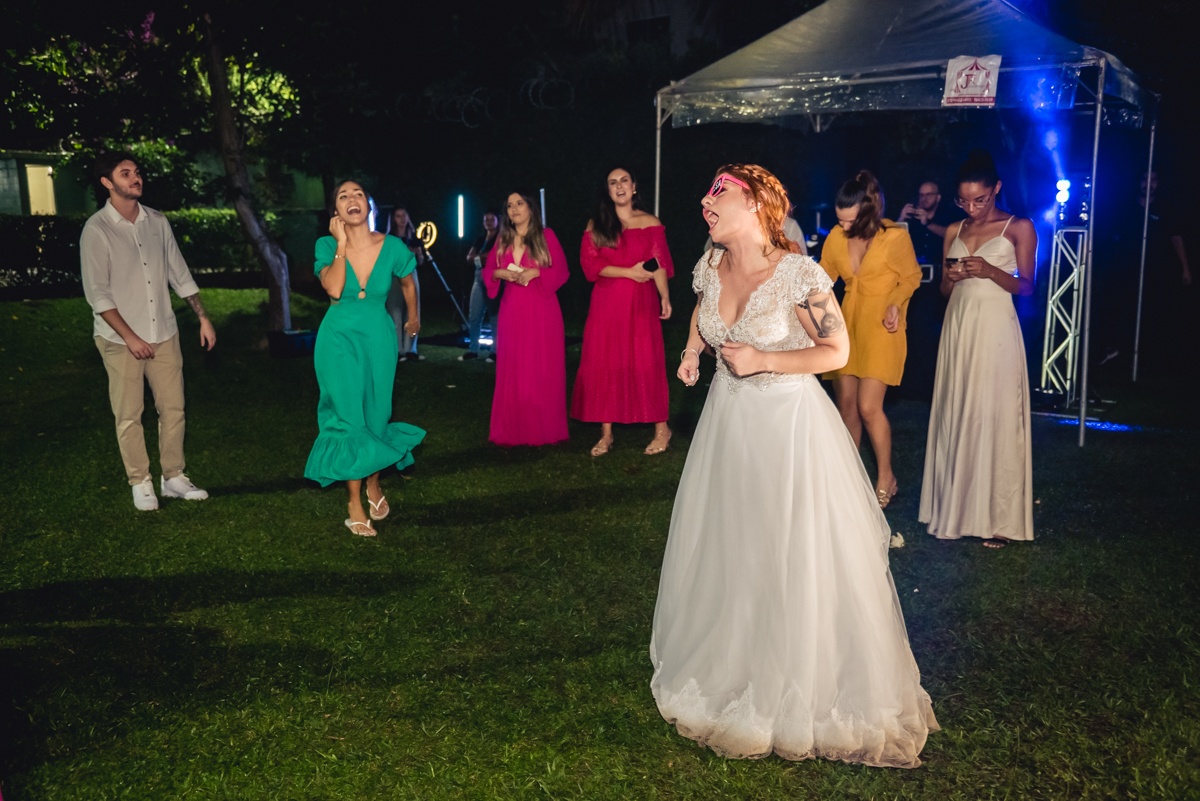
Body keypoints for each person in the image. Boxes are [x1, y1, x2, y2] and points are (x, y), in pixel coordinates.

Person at [652, 164, 938, 767]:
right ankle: (733, 659)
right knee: (734, 545)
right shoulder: (712, 264)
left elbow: (838, 350)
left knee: (788, 549)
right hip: (727, 427)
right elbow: (705, 317)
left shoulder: (798, 274)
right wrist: (690, 353)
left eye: (718, 193)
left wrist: (762, 358)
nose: (706, 200)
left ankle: (795, 678)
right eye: (706, 192)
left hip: (786, 429)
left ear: (755, 204)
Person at [80, 151, 215, 511]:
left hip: (165, 332)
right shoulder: (97, 229)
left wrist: (202, 317)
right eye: (125, 173)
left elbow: (179, 273)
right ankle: (139, 481)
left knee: (174, 409)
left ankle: (173, 477)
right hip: (119, 339)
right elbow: (98, 295)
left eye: (137, 172)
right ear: (107, 182)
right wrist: (131, 337)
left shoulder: (157, 221)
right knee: (129, 414)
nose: (135, 178)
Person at [919, 149, 1035, 548]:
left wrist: (989, 270)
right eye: (964, 200)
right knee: (957, 410)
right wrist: (951, 276)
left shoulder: (1019, 227)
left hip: (996, 328)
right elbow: (944, 289)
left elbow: (1028, 286)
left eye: (980, 200)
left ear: (996, 189)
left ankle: (1000, 520)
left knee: (994, 414)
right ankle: (955, 508)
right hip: (959, 326)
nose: (972, 208)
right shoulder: (953, 230)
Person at [305, 181, 425, 537]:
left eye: (357, 194)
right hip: (338, 341)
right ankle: (354, 502)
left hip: (377, 339)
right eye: (342, 196)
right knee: (348, 418)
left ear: (369, 205)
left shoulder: (393, 245)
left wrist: (413, 317)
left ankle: (373, 483)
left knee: (375, 415)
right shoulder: (326, 245)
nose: (351, 199)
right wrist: (341, 244)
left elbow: (407, 281)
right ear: (336, 213)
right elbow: (334, 288)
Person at [819, 171, 921, 508]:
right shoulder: (835, 237)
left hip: (882, 325)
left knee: (868, 406)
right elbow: (822, 281)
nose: (844, 227)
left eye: (850, 221)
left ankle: (885, 476)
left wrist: (896, 303)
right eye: (840, 220)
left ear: (867, 212)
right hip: (847, 324)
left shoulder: (894, 238)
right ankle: (852, 477)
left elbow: (911, 277)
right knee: (846, 407)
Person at [572, 167, 675, 456]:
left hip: (641, 303)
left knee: (646, 360)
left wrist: (664, 296)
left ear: (633, 188)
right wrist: (629, 272)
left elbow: (658, 262)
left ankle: (661, 429)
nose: (619, 186)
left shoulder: (650, 222)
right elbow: (590, 265)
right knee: (605, 361)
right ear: (608, 191)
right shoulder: (598, 224)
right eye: (612, 183)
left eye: (624, 181)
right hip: (606, 303)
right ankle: (606, 434)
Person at [483, 190, 570, 446]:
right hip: (512, 310)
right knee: (515, 366)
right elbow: (488, 271)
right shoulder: (502, 239)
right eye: (510, 206)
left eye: (519, 203)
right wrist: (499, 272)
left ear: (531, 207)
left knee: (541, 366)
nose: (514, 209)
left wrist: (536, 274)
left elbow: (562, 271)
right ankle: (514, 428)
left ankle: (542, 428)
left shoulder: (547, 236)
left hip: (542, 310)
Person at [385, 205, 425, 361]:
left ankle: (411, 350)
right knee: (395, 310)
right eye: (398, 216)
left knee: (413, 310)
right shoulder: (389, 238)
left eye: (404, 215)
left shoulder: (415, 237)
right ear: (393, 219)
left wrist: (416, 253)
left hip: (411, 274)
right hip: (395, 277)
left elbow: (420, 260)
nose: (402, 219)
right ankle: (397, 350)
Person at [460, 210, 501, 362]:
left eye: (492, 219)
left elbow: (497, 256)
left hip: (493, 278)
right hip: (478, 277)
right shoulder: (480, 239)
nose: (489, 222)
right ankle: (473, 350)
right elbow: (469, 257)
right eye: (486, 220)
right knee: (474, 315)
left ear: (498, 221)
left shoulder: (501, 238)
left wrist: (482, 256)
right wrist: (484, 256)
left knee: (494, 316)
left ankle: (495, 351)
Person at [898, 180, 957, 266]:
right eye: (921, 195)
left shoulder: (948, 214)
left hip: (939, 270)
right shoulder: (912, 218)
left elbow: (953, 236)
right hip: (914, 271)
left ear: (938, 197)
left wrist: (928, 223)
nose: (924, 198)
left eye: (929, 195)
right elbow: (893, 241)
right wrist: (901, 219)